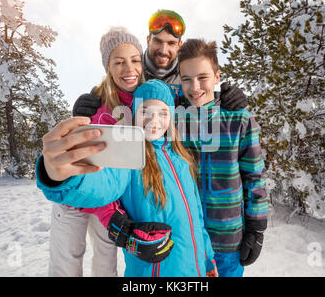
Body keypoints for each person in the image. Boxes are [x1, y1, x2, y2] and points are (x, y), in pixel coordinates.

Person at [36, 80, 218, 277]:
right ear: (132, 114)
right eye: (145, 111)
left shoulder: (182, 159)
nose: (154, 119)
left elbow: (197, 217)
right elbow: (103, 184)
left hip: (196, 271)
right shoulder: (129, 158)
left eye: (163, 113)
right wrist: (61, 175)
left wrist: (208, 260)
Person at [43, 27, 173, 277]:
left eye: (135, 60)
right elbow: (84, 158)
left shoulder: (145, 103)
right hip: (75, 197)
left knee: (106, 263)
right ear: (108, 67)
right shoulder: (96, 104)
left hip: (108, 201)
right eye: (119, 62)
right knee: (66, 264)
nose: (129, 69)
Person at [176, 38, 268, 277]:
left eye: (202, 77)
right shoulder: (174, 122)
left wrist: (256, 229)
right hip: (187, 241)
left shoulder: (239, 120)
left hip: (228, 241)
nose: (194, 86)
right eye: (186, 79)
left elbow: (254, 178)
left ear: (217, 77)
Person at [72, 9, 248, 118]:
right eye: (158, 41)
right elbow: (113, 90)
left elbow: (201, 97)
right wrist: (90, 104)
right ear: (148, 40)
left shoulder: (186, 76)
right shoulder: (133, 70)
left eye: (171, 43)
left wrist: (225, 99)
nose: (164, 50)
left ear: (179, 45)